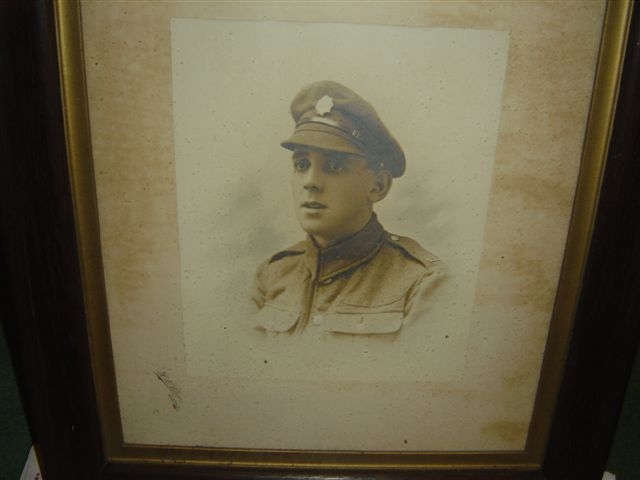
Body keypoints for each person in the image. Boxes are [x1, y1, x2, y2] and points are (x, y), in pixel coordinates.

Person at [251, 80, 446, 335]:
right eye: (301, 164)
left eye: (334, 166)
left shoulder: (423, 283)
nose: (310, 182)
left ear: (378, 186)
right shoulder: (271, 275)